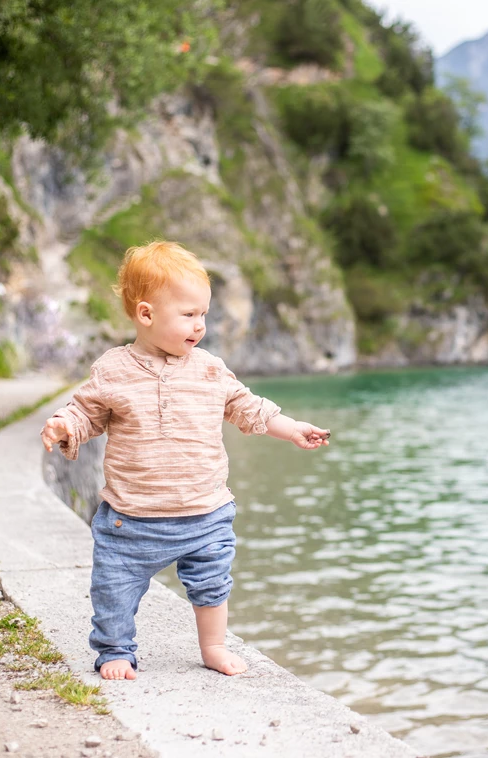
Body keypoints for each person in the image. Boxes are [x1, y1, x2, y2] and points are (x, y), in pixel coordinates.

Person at [39, 240, 330, 681]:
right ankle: (116, 649)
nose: (200, 325)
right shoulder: (114, 369)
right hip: (132, 518)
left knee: (212, 584)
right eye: (189, 314)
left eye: (204, 314)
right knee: (114, 587)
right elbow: (87, 412)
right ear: (146, 314)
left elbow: (247, 407)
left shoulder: (210, 368)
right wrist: (64, 425)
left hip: (205, 512)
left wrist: (291, 428)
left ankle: (213, 647)